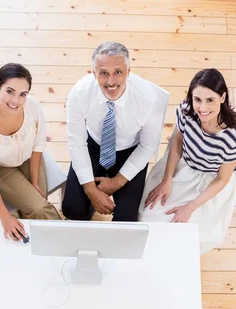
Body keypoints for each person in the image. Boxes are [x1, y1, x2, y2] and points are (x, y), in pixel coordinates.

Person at [140, 68, 236, 254]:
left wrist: (190, 207)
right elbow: (178, 141)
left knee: (182, 235)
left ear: (222, 97)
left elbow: (222, 179)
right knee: (147, 217)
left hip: (208, 183)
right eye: (197, 99)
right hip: (182, 168)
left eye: (210, 100)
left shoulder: (232, 138)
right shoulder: (186, 110)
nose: (202, 108)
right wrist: (167, 180)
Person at [61, 41, 168, 222]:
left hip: (131, 150)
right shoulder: (79, 93)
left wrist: (117, 182)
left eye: (118, 72)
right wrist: (91, 190)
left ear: (128, 71)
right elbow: (77, 142)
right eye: (104, 73)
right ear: (94, 73)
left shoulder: (149, 99)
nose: (111, 82)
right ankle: (88, 206)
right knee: (72, 210)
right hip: (93, 146)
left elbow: (148, 146)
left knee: (126, 219)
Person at [0, 63, 61, 241]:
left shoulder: (33, 106)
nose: (16, 101)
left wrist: (34, 181)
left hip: (28, 158)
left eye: (23, 94)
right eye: (10, 91)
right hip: (1, 168)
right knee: (39, 209)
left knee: (39, 203)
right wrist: (4, 215)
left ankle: (42, 245)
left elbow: (38, 144)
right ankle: (64, 241)